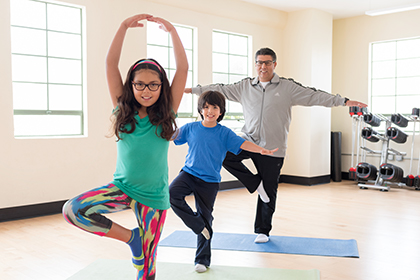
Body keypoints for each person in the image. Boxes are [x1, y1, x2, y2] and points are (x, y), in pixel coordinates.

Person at [185, 47, 367, 244]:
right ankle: (255, 184)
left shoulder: (287, 87)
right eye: (259, 63)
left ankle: (263, 230)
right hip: (249, 141)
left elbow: (314, 96)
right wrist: (194, 90)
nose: (263, 67)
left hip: (274, 147)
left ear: (274, 64)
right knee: (223, 154)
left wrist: (344, 101)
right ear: (255, 65)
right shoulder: (245, 86)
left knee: (269, 190)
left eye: (267, 63)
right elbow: (219, 89)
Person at [62, 14, 188, 280]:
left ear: (161, 86)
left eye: (153, 85)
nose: (146, 90)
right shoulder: (123, 109)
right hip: (122, 189)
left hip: (153, 198)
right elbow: (110, 63)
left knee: (147, 267)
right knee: (73, 211)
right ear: (131, 85)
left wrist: (173, 31)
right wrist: (122, 27)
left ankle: (140, 251)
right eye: (139, 84)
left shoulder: (167, 113)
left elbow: (183, 69)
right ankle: (131, 238)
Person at [169, 90, 278, 273]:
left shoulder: (224, 133)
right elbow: (171, 136)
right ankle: (197, 225)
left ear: (221, 112)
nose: (209, 111)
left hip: (209, 182)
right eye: (206, 107)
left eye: (214, 107)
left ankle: (202, 259)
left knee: (206, 217)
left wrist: (261, 150)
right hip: (188, 173)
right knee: (172, 194)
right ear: (200, 109)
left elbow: (243, 144)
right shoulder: (191, 128)